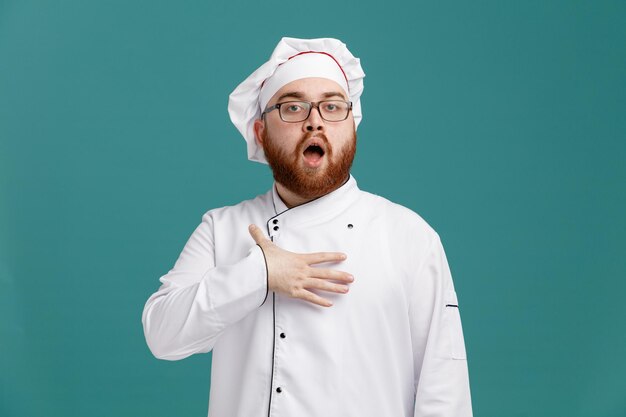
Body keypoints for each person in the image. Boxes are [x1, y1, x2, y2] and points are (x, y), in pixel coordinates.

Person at [142, 37, 473, 417]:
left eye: (332, 107)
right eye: (293, 107)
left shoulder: (409, 237)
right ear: (261, 132)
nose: (315, 120)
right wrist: (258, 274)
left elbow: (444, 389)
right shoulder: (223, 229)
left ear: (351, 126)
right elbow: (162, 335)